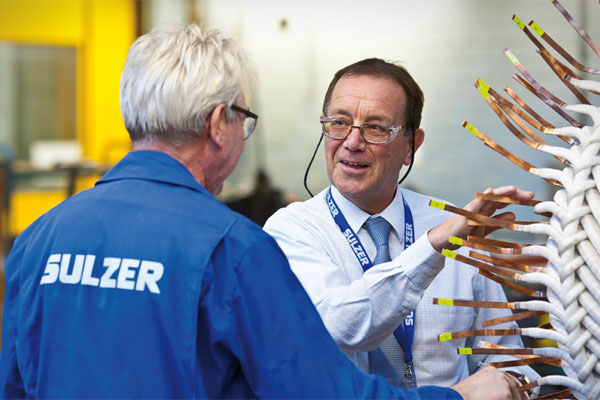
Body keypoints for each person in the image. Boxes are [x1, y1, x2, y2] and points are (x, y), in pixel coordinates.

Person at [0, 25, 522, 399]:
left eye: (377, 127)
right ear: (217, 124)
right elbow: (320, 392)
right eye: (243, 118)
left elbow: (13, 385)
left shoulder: (37, 238)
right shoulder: (234, 248)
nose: (352, 141)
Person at [264, 58, 539, 394]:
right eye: (339, 122)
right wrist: (435, 246)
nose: (352, 142)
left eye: (376, 127)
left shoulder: (453, 226)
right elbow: (341, 325)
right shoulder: (291, 230)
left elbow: (509, 360)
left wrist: (517, 382)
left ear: (411, 145)